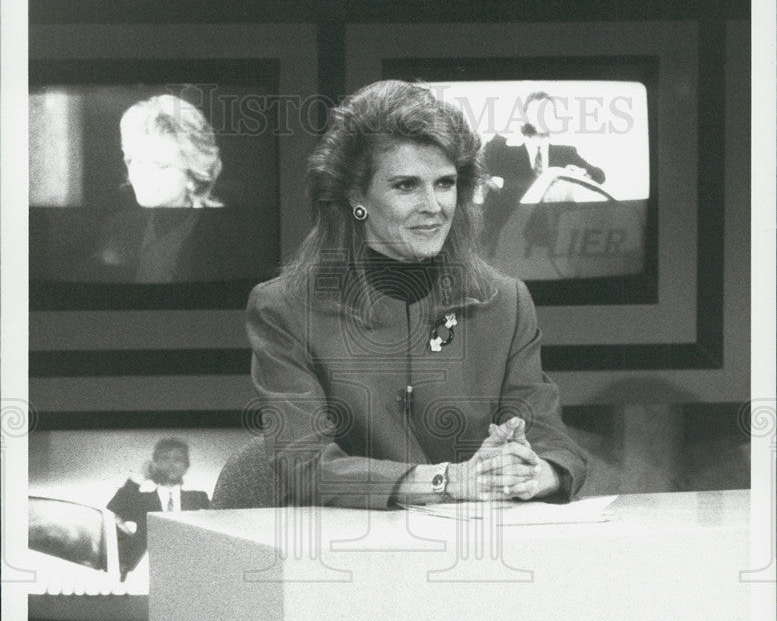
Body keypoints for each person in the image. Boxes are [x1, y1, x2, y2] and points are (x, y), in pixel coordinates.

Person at [244, 79, 586, 510]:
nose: (434, 205)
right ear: (355, 196)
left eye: (444, 184)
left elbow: (554, 443)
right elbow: (304, 466)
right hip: (353, 555)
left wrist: (533, 471)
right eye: (407, 186)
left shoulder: (505, 302)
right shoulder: (286, 310)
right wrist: (447, 480)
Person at [96, 94, 227, 283]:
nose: (142, 176)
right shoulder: (119, 228)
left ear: (194, 175)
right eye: (136, 161)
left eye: (160, 165)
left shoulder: (223, 233)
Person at [481, 91, 606, 255]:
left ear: (555, 120)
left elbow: (599, 176)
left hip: (556, 245)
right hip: (508, 243)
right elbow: (475, 169)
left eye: (546, 112)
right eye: (534, 112)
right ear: (524, 119)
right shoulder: (504, 150)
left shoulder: (567, 153)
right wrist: (502, 139)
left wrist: (583, 173)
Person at [107, 437, 210, 575]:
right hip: (148, 571)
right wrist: (140, 476)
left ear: (186, 466)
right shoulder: (141, 501)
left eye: (178, 459)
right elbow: (111, 513)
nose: (171, 464)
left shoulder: (199, 499)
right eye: (165, 459)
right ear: (154, 463)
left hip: (191, 570)